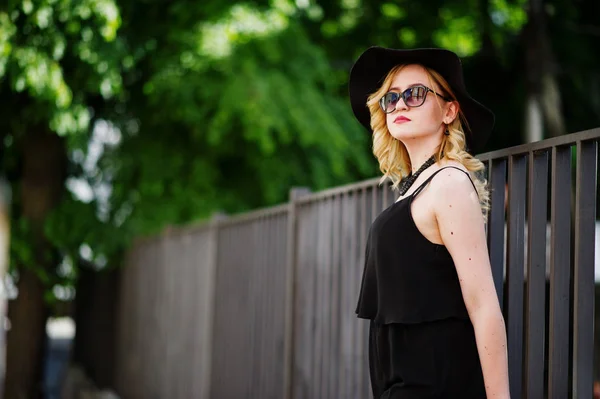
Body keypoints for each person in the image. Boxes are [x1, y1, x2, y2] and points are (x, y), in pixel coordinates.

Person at [350, 47, 510, 398]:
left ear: (449, 110)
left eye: (415, 94)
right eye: (391, 98)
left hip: (435, 384)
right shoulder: (416, 186)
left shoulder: (449, 182)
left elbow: (483, 304)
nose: (401, 104)